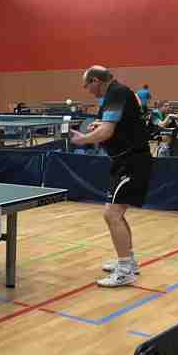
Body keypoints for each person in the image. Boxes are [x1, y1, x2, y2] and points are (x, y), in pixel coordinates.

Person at [69, 66, 153, 288]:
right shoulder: (113, 95)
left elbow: (107, 132)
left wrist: (82, 139)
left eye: (86, 85)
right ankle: (128, 261)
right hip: (124, 161)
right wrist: (98, 126)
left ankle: (125, 271)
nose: (86, 90)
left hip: (132, 161)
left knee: (112, 214)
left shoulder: (117, 92)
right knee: (116, 214)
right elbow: (116, 125)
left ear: (96, 81)